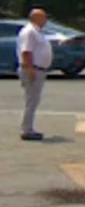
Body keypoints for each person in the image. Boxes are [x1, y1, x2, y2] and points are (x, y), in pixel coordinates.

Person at [15, 8, 52, 141]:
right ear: (36, 18)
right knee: (31, 101)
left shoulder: (36, 31)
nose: (45, 20)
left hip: (38, 69)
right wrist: (30, 69)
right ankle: (26, 130)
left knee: (33, 100)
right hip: (32, 69)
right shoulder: (30, 32)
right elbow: (26, 52)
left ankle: (28, 128)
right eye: (43, 17)